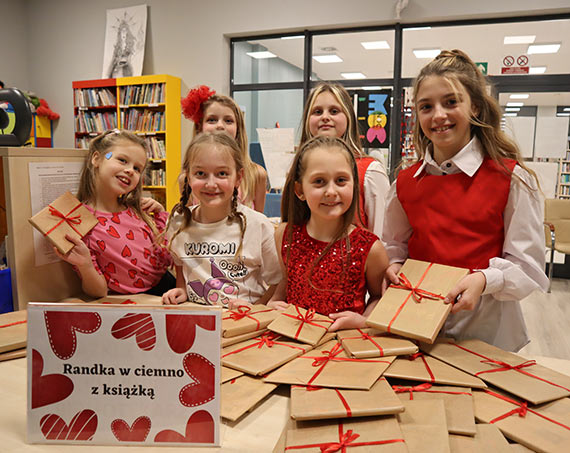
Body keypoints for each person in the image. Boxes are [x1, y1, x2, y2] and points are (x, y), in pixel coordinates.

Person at [382, 49, 548, 352]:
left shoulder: (511, 179)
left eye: (451, 102)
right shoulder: (404, 184)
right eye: (426, 107)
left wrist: (486, 280)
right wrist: (393, 264)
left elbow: (529, 268)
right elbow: (395, 245)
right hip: (416, 329)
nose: (439, 115)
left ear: (475, 108)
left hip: (486, 334)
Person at [267, 136, 389, 331]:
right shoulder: (284, 235)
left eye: (341, 180)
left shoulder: (370, 248)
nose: (331, 191)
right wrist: (273, 304)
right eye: (319, 181)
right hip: (293, 344)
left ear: (354, 184)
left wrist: (364, 320)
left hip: (345, 348)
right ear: (300, 190)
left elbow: (379, 296)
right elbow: (285, 282)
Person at [162, 132, 281, 306]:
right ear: (188, 176)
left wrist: (257, 309)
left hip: (244, 325)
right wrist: (181, 290)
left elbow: (277, 281)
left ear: (238, 178)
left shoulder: (258, 225)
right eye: (200, 173)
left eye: (222, 173)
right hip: (199, 321)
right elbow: (182, 270)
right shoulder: (178, 222)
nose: (211, 184)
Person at [56, 129, 174, 297]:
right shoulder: (80, 222)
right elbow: (99, 291)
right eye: (122, 160)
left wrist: (162, 216)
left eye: (137, 168)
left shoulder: (137, 210)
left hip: (169, 291)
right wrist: (86, 265)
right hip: (134, 303)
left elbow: (168, 257)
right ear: (96, 158)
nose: (130, 170)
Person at [299, 82, 390, 238]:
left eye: (334, 111)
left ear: (348, 117)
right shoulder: (299, 170)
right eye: (317, 111)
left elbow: (383, 238)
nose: (325, 117)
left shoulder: (370, 171)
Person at [180, 86, 267, 212]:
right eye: (212, 120)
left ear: (238, 129)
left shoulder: (256, 175)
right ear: (200, 127)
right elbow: (188, 222)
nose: (220, 125)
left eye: (228, 120)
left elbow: (259, 223)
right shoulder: (187, 179)